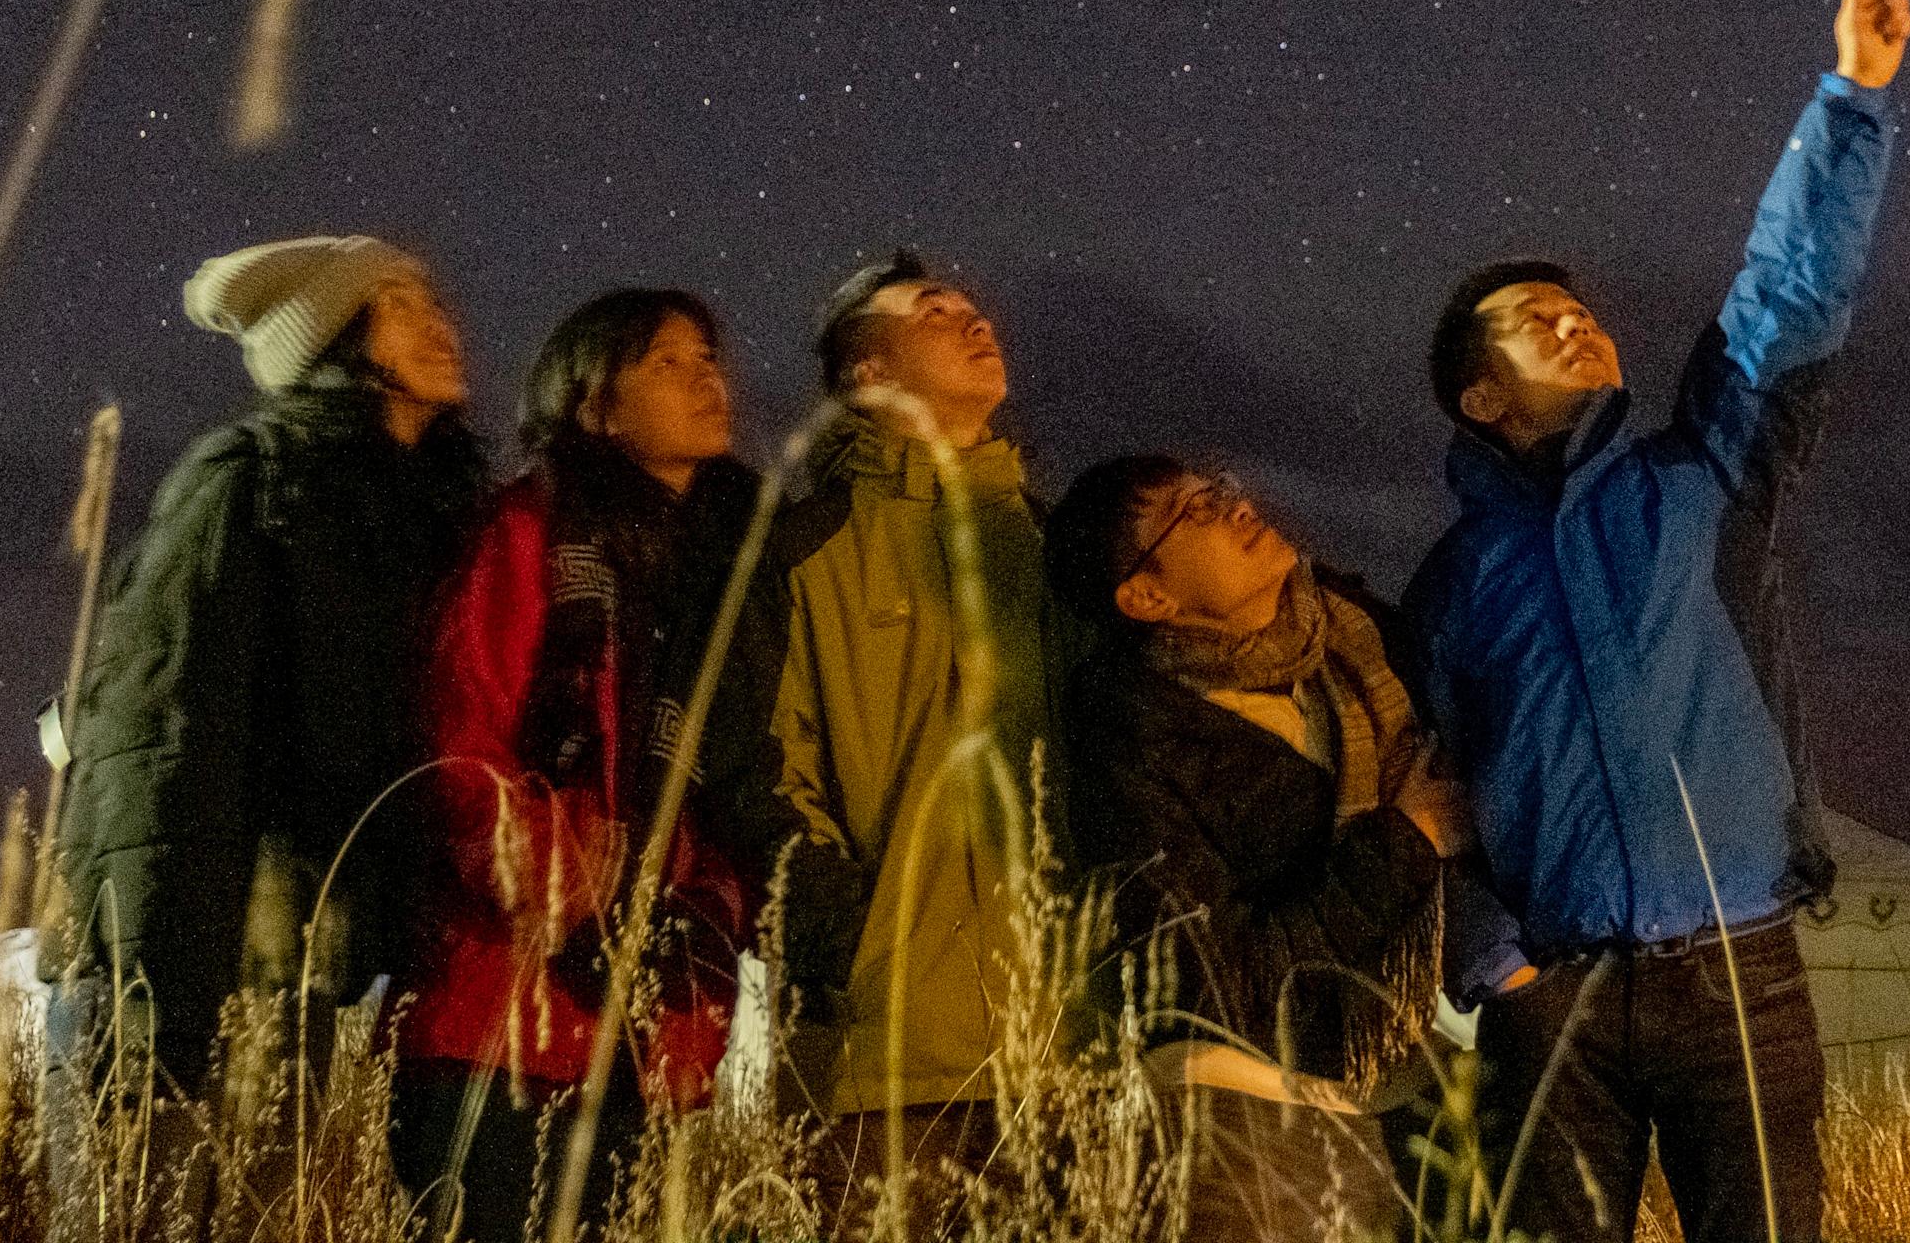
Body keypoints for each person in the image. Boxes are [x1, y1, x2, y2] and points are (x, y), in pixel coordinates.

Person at [1402, 0, 1910, 1243]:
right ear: (1481, 394)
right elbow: (1423, 793)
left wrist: (1850, 100)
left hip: (1738, 973)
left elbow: (1784, 304)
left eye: (1582, 311)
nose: (1577, 324)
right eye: (1535, 320)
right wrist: (1492, 963)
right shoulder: (1455, 587)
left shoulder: (1701, 479)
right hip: (1553, 997)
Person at [43, 235, 485, 1228]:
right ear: (333, 336)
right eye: (401, 302)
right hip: (204, 973)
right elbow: (157, 747)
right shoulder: (250, 482)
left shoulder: (424, 519)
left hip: (317, 982)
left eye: (437, 300)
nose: (440, 323)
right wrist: (146, 1002)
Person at [393, 289, 770, 1240]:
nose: (706, 378)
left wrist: (705, 898)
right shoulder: (529, 534)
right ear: (595, 405)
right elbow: (458, 730)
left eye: (709, 358)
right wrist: (559, 864)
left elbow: (728, 786)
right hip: (500, 1010)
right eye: (667, 363)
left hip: (654, 1031)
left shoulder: (725, 578)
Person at [711, 250, 1052, 1232]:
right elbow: (752, 771)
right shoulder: (799, 547)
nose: (973, 315)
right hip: (877, 1059)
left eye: (973, 301)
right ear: (867, 372)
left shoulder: (1048, 539)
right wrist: (857, 944)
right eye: (933, 309)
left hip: (1058, 1046)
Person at [1051, 454, 1465, 1243]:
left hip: (1404, 1100)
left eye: (1217, 490)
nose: (1234, 505)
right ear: (1148, 595)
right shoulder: (1135, 736)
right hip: (1244, 1135)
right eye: (1193, 512)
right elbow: (1212, 982)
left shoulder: (1353, 654)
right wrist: (1407, 841)